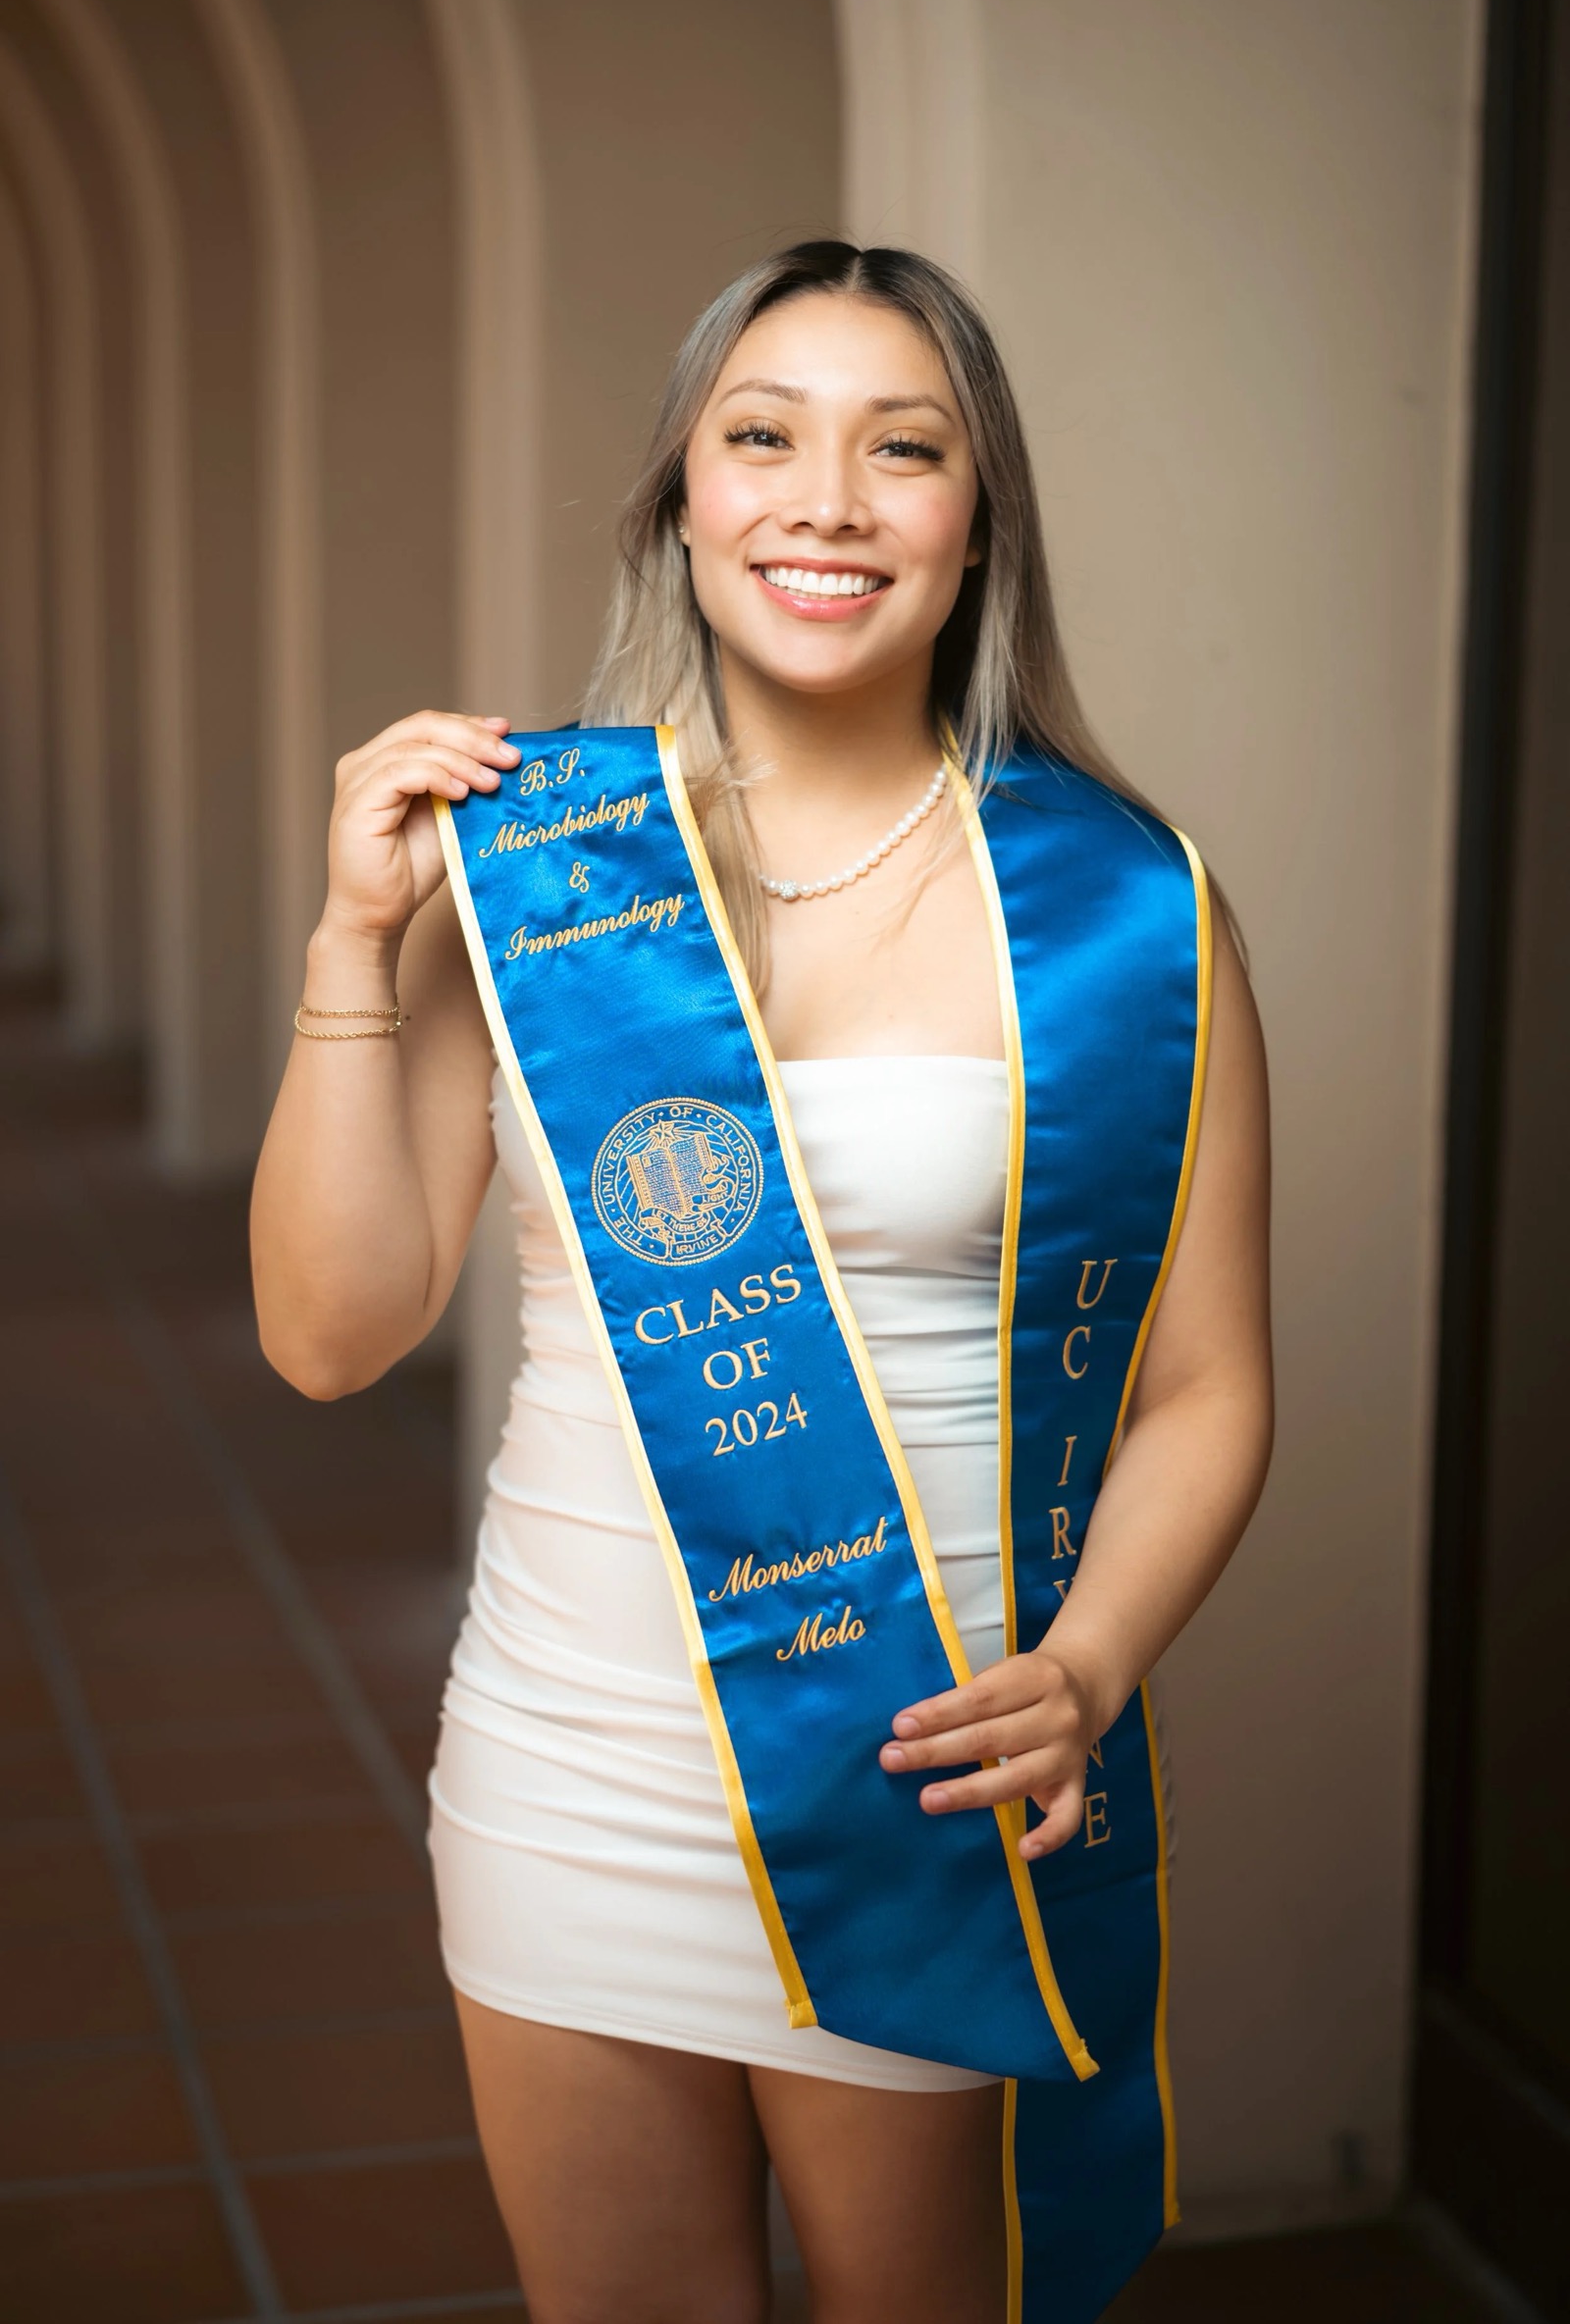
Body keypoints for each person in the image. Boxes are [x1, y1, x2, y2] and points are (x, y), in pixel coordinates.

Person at [251, 241, 1272, 2324]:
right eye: (760, 438)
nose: (824, 500)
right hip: (568, 1764)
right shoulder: (539, 878)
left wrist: (1081, 1671)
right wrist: (350, 956)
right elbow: (330, 1336)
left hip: (907, 1773)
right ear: (678, 501)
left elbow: (1204, 1383)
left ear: (974, 525)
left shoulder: (1121, 907)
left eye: (903, 450)